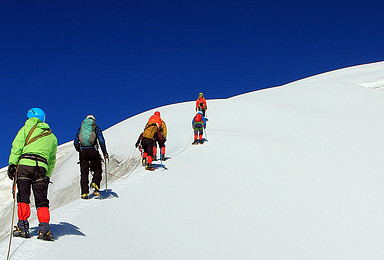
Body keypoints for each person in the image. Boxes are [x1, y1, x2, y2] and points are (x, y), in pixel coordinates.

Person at [8, 108, 57, 241]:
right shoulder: (52, 137)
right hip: (41, 168)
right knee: (41, 200)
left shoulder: (25, 129)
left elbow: (17, 146)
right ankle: (44, 230)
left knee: (23, 197)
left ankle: (23, 228)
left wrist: (12, 164)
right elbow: (52, 159)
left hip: (24, 166)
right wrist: (48, 175)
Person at [74, 115, 108, 199]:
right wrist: (105, 153)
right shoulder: (96, 128)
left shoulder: (80, 129)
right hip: (93, 150)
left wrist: (80, 150)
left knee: (84, 173)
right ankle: (95, 184)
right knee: (97, 169)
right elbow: (101, 141)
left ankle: (84, 193)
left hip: (83, 152)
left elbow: (75, 142)